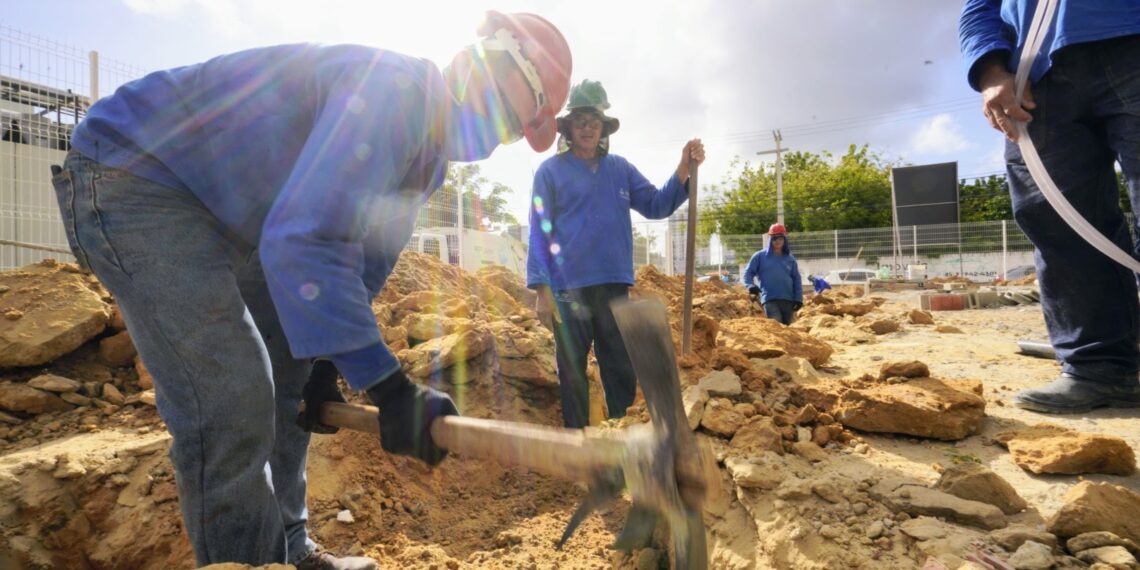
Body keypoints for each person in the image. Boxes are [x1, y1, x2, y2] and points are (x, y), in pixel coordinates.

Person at [50, 12, 572, 569]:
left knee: (290, 380)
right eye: (508, 118)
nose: (498, 142)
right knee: (232, 391)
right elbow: (301, 243)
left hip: (227, 213)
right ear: (486, 65)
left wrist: (328, 360)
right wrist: (391, 391)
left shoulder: (426, 163)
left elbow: (361, 264)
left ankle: (289, 551)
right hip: (133, 175)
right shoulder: (396, 91)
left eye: (514, 133)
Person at [960, 1, 1140, 414]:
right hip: (1038, 76)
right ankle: (1098, 368)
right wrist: (989, 68)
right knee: (1059, 223)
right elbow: (979, 6)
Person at [527, 79, 704, 429]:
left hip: (613, 287)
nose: (588, 128)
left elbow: (656, 205)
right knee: (572, 370)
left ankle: (621, 435)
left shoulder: (620, 169)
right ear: (569, 127)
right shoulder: (550, 172)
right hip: (568, 289)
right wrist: (541, 288)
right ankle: (580, 445)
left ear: (604, 127)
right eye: (581, 121)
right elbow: (539, 230)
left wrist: (684, 167)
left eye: (595, 121)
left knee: (619, 368)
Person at [742, 223, 803, 325]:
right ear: (770, 239)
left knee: (788, 330)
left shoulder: (790, 259)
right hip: (770, 299)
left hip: (788, 300)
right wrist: (750, 286)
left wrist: (798, 298)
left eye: (780, 238)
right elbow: (748, 273)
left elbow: (796, 279)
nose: (778, 241)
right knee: (777, 325)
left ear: (784, 239)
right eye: (774, 238)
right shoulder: (759, 256)